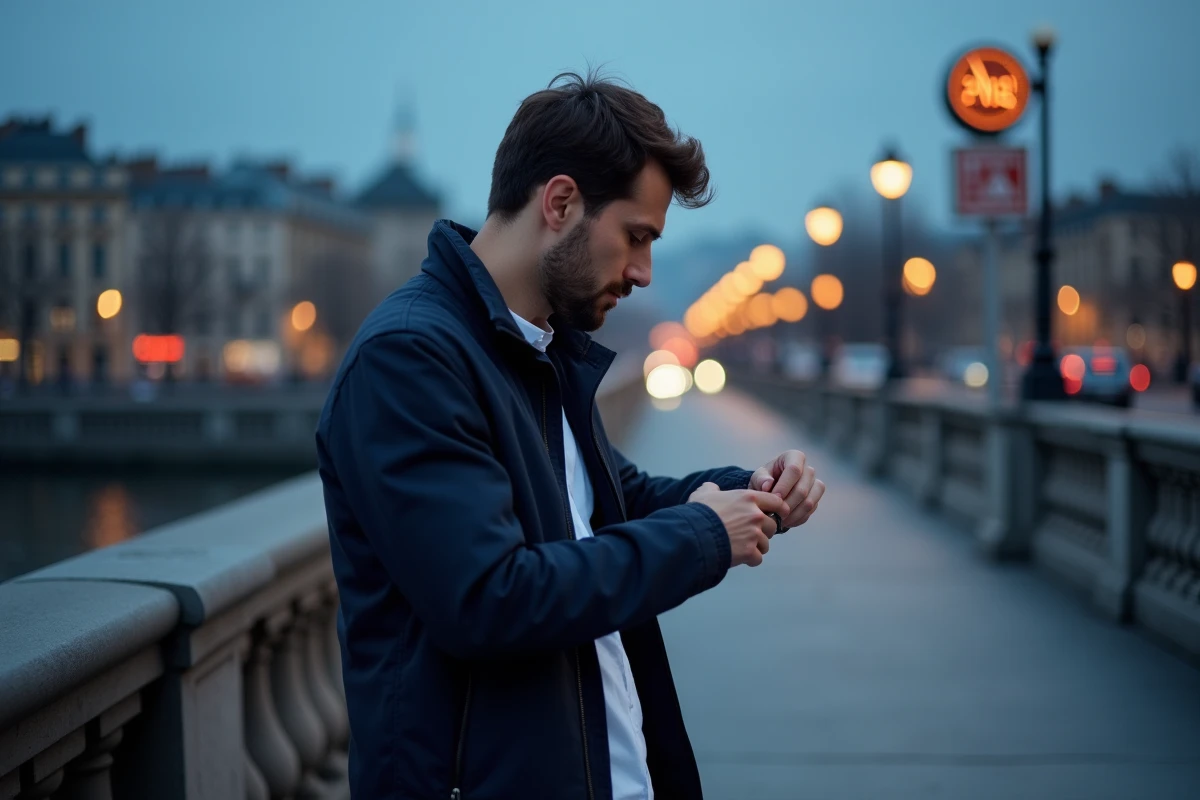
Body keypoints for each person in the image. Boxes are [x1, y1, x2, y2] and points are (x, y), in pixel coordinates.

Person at [316, 70, 826, 800]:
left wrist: (750, 491)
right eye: (636, 237)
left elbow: (610, 502)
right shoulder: (409, 357)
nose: (645, 272)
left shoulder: (536, 347)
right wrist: (702, 537)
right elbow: (489, 599)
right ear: (559, 203)